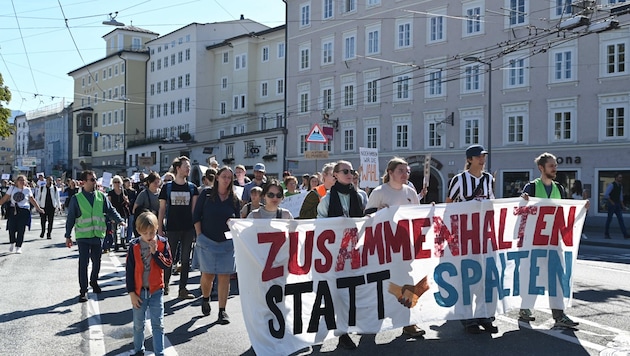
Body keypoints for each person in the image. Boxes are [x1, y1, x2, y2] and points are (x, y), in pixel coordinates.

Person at [518, 152, 588, 328]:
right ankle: (525, 308)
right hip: (535, 242)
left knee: (556, 276)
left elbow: (564, 213)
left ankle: (559, 314)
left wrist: (581, 209)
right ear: (541, 168)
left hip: (554, 240)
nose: (555, 168)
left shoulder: (560, 188)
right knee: (532, 275)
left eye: (556, 165)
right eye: (551, 165)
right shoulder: (531, 187)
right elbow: (521, 209)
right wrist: (523, 201)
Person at [364, 157, 425, 338]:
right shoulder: (379, 192)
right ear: (390, 172)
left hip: (404, 247)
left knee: (407, 282)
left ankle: (407, 323)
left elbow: (417, 216)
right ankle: (375, 322)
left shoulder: (410, 192)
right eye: (400, 171)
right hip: (384, 247)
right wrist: (379, 212)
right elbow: (366, 218)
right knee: (384, 284)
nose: (405, 174)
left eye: (407, 171)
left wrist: (430, 212)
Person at [445, 145, 498, 335]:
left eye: (483, 156)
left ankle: (484, 314)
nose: (482, 160)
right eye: (478, 157)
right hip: (464, 236)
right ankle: (467, 317)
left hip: (483, 234)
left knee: (485, 276)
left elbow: (491, 202)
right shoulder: (459, 180)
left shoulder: (488, 179)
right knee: (466, 277)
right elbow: (449, 205)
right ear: (470, 160)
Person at [316, 160, 365, 350]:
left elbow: (364, 220)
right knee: (333, 294)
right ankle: (327, 331)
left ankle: (345, 333)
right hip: (333, 254)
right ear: (335, 175)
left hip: (353, 254)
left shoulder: (359, 196)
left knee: (350, 294)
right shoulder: (328, 199)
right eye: (345, 171)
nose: (350, 173)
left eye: (351, 171)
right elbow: (319, 225)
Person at [65, 170, 126, 302]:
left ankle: (94, 281)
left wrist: (120, 220)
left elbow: (110, 210)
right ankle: (83, 290)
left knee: (97, 262)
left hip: (98, 235)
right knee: (83, 263)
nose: (95, 182)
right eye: (92, 179)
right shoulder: (76, 199)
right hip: (83, 236)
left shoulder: (101, 196)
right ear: (83, 182)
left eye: (95, 179)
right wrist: (68, 235)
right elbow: (70, 218)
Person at [192, 166, 241, 324]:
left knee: (224, 276)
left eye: (229, 177)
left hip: (226, 243)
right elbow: (196, 216)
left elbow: (237, 221)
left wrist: (233, 225)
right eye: (224, 176)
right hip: (207, 241)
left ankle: (222, 310)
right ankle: (205, 298)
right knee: (208, 275)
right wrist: (199, 236)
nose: (227, 179)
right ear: (217, 177)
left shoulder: (234, 198)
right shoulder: (206, 194)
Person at [126, 212, 172, 356]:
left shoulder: (162, 243)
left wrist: (155, 252)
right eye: (145, 233)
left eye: (152, 232)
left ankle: (160, 352)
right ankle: (139, 350)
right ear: (139, 231)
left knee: (158, 324)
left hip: (156, 290)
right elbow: (129, 271)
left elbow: (167, 264)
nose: (149, 235)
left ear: (157, 228)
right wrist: (132, 292)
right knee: (138, 324)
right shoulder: (134, 245)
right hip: (140, 291)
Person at [158, 156, 198, 298]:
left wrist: (195, 230)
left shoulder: (193, 188)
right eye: (185, 166)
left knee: (186, 260)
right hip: (172, 228)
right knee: (169, 258)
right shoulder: (167, 187)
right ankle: (165, 285)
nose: (188, 168)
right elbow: (162, 209)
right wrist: (160, 228)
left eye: (189, 166)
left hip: (187, 228)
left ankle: (183, 289)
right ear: (177, 168)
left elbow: (194, 211)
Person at [0, 175, 44, 253]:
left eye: (23, 180)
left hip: (24, 211)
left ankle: (18, 246)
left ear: (25, 181)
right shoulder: (12, 188)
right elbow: (5, 198)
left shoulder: (27, 190)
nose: (21, 182)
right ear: (16, 181)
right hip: (13, 210)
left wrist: (39, 209)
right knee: (11, 228)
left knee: (21, 229)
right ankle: (12, 242)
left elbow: (32, 200)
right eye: (20, 180)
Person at [107, 175, 130, 252]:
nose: (117, 183)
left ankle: (122, 242)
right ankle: (116, 243)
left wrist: (126, 200)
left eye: (118, 182)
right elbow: (109, 204)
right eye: (115, 182)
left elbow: (127, 203)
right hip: (114, 212)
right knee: (114, 229)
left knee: (123, 228)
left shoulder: (124, 191)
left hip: (123, 211)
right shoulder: (111, 192)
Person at [603, 172, 629, 240]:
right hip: (612, 204)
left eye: (621, 177)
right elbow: (606, 194)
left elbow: (620, 197)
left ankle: (625, 234)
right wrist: (611, 202)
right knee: (609, 219)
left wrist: (622, 205)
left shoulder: (620, 186)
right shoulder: (611, 185)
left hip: (617, 204)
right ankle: (606, 234)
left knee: (621, 219)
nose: (621, 178)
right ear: (616, 178)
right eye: (620, 177)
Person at [123, 177, 137, 243]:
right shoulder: (122, 191)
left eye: (129, 182)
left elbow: (135, 201)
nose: (129, 184)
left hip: (131, 210)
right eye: (127, 182)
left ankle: (128, 238)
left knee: (130, 225)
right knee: (123, 225)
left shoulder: (133, 191)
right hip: (124, 210)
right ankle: (122, 238)